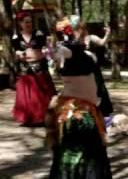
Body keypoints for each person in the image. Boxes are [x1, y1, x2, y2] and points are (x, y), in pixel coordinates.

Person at [47, 17, 112, 179]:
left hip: (89, 109)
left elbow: (96, 83)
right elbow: (60, 52)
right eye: (77, 30)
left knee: (92, 152)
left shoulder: (89, 55)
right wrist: (57, 48)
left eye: (82, 29)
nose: (81, 33)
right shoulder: (66, 51)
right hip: (74, 113)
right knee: (77, 152)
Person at [11, 11, 56, 126]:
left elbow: (40, 53)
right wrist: (29, 54)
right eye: (26, 22)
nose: (29, 24)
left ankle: (43, 118)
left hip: (40, 70)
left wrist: (27, 54)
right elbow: (19, 55)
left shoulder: (39, 34)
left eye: (30, 22)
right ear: (20, 23)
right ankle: (29, 119)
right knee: (27, 97)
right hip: (25, 72)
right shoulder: (16, 37)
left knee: (42, 95)